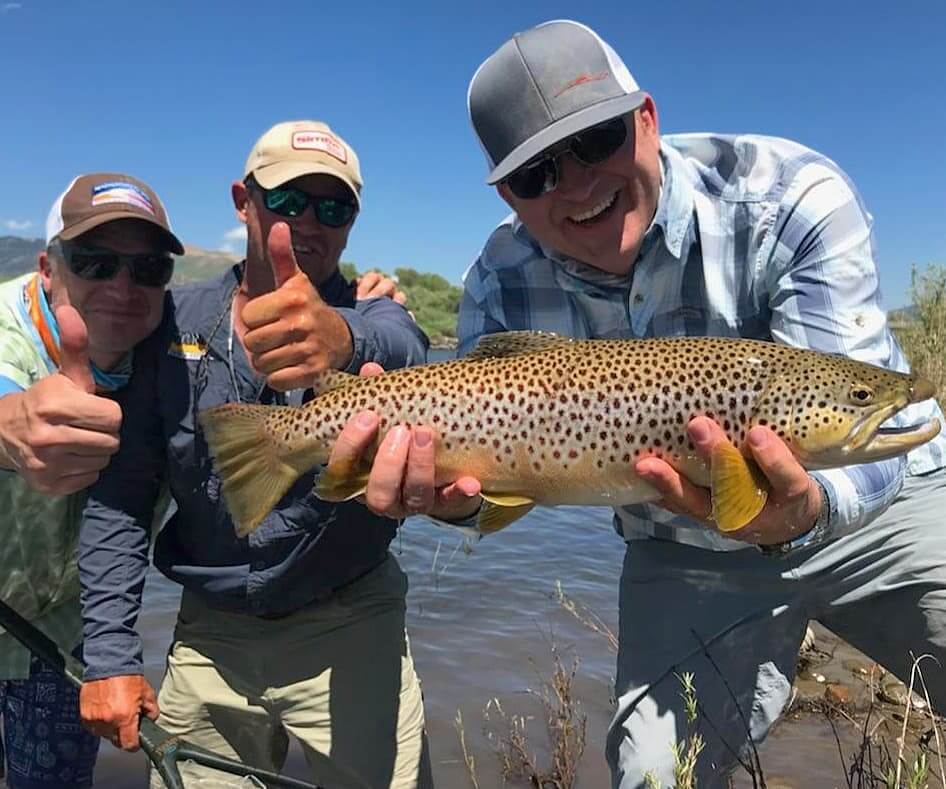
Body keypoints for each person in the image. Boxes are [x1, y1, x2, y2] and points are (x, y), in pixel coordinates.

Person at [331, 20, 946, 788]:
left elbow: (865, 428)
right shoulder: (496, 277)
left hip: (880, 524)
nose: (579, 185)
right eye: (537, 175)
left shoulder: (792, 196)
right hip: (681, 556)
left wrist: (803, 508)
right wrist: (449, 503)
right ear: (506, 195)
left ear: (646, 118)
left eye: (597, 139)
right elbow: (486, 496)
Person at [77, 120, 432, 789]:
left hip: (352, 622)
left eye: (335, 207)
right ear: (244, 199)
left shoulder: (377, 315)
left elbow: (404, 347)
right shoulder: (171, 325)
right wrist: (111, 655)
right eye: (290, 199)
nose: (311, 221)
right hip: (211, 639)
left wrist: (342, 339)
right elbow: (122, 497)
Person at [0, 173, 183, 788]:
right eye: (96, 262)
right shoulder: (6, 333)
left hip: (65, 638)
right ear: (49, 268)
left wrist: (368, 313)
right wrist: (11, 428)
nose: (122, 287)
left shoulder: (170, 355)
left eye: (147, 267)